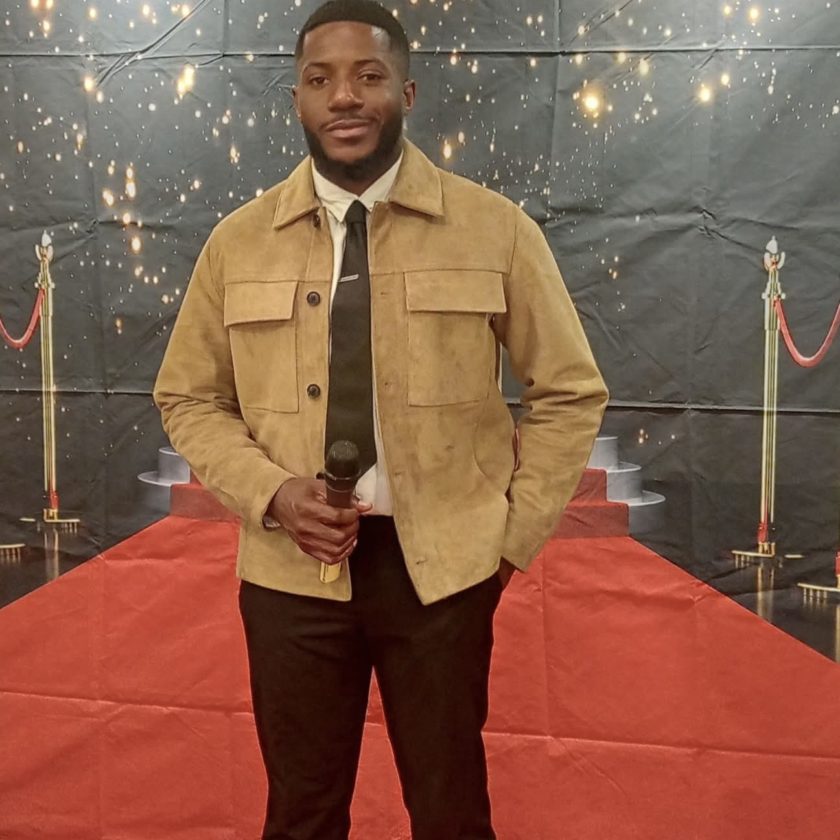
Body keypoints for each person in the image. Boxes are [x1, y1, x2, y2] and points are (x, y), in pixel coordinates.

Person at [153, 1, 608, 837]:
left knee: (450, 812)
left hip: (443, 576)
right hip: (290, 573)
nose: (344, 97)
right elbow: (189, 396)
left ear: (406, 91)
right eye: (320, 79)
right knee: (302, 812)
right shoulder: (237, 243)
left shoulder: (495, 229)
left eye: (368, 76)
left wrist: (508, 542)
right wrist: (272, 494)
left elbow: (570, 391)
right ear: (297, 98)